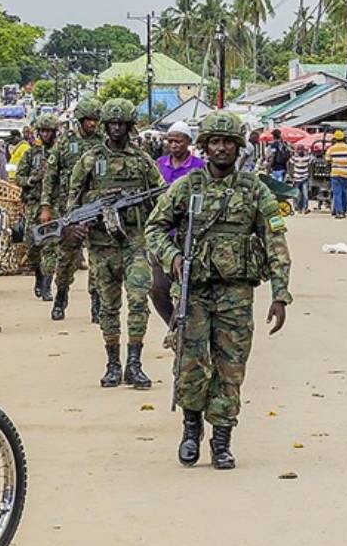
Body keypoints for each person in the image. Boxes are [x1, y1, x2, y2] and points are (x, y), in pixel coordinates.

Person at [146, 110, 292, 470]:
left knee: (230, 368)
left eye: (228, 142)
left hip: (236, 293)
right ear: (206, 147)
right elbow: (154, 228)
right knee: (191, 364)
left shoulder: (254, 190)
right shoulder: (188, 187)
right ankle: (191, 430)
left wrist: (279, 293)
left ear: (238, 147)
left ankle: (222, 441)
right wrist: (173, 256)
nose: (222, 148)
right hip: (193, 292)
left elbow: (274, 239)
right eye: (215, 142)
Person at [67, 98, 163, 390]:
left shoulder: (142, 160)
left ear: (130, 126)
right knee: (108, 307)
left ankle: (134, 363)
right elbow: (73, 199)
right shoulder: (90, 159)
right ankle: (113, 364)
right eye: (112, 124)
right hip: (101, 244)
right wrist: (75, 224)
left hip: (135, 241)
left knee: (137, 300)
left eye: (122, 124)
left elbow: (160, 198)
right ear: (106, 126)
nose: (117, 128)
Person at [44, 98, 104, 322]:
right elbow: (50, 177)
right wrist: (46, 206)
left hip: (96, 208)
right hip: (69, 208)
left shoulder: (103, 142)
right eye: (88, 120)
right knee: (66, 258)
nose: (92, 124)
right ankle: (60, 297)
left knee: (97, 257)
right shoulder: (64, 142)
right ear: (80, 120)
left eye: (95, 120)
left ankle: (96, 304)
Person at [149, 121, 206, 332]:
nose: (173, 145)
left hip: (189, 236)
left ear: (188, 142)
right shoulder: (159, 164)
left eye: (178, 141)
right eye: (170, 140)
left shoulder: (199, 167)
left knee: (186, 291)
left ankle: (184, 333)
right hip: (163, 236)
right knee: (157, 288)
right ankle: (175, 328)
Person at [16, 114, 60, 301]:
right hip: (33, 204)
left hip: (53, 204)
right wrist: (33, 179)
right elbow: (19, 177)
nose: (45, 134)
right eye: (42, 130)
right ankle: (39, 276)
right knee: (32, 245)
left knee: (50, 246)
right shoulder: (31, 153)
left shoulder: (60, 152)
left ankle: (48, 285)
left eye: (48, 131)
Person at [326, 131, 347, 218]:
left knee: (337, 193)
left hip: (335, 173)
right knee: (344, 192)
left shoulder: (331, 149)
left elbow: (327, 161)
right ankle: (344, 210)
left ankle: (340, 212)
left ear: (334, 139)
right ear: (344, 138)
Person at [289, 144, 313, 214]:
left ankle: (305, 208)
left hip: (304, 177)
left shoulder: (308, 157)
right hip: (296, 178)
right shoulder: (294, 158)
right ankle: (297, 207)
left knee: (305, 194)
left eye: (301, 149)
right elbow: (290, 164)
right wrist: (291, 174)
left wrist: (309, 173)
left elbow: (311, 165)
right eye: (299, 150)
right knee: (297, 194)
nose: (300, 151)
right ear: (297, 150)